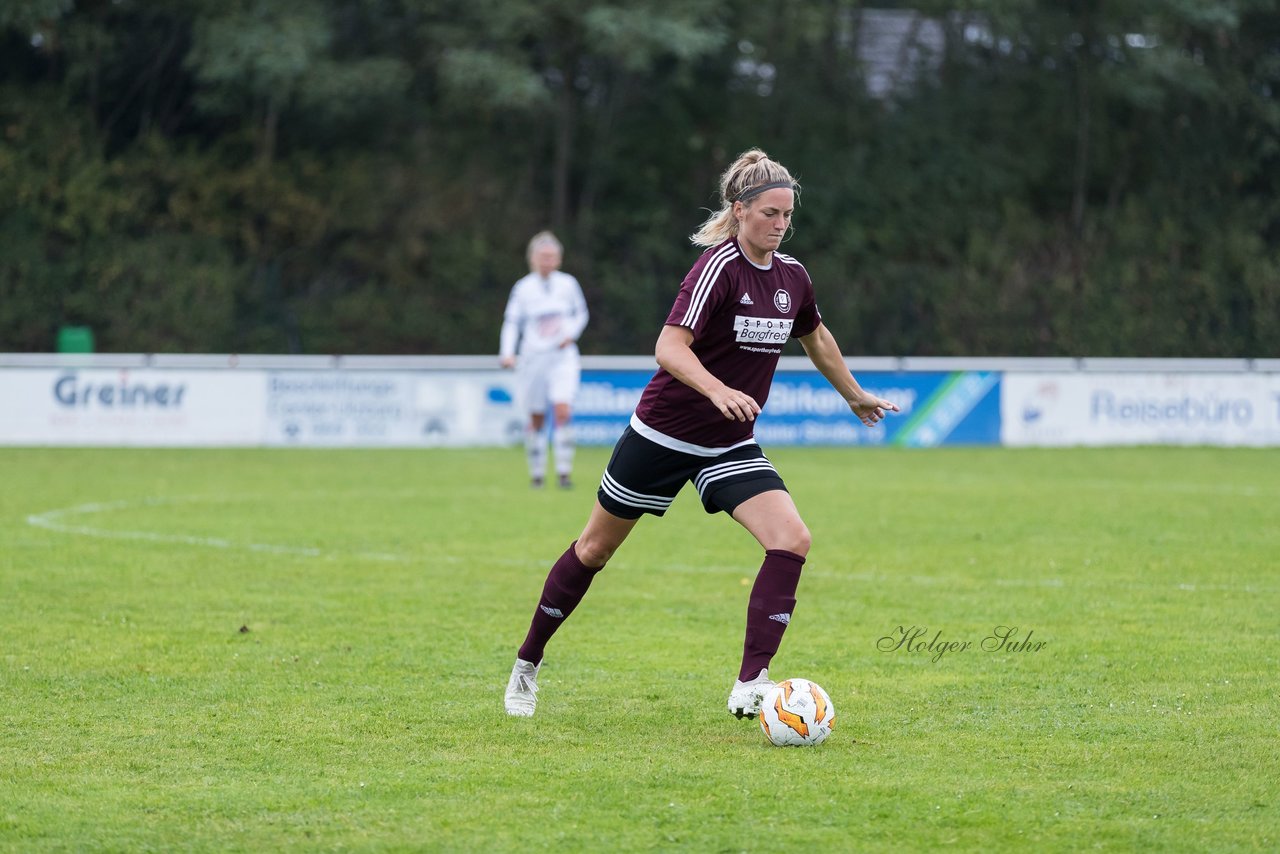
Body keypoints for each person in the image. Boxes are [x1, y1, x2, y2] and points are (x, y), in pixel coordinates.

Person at [503, 149, 899, 719]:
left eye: (787, 215)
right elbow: (668, 347)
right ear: (739, 212)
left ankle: (751, 683)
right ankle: (527, 665)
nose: (780, 226)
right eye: (769, 213)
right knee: (593, 549)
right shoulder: (718, 266)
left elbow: (815, 336)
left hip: (728, 444)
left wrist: (853, 393)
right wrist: (715, 390)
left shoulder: (793, 277)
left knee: (792, 539)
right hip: (662, 435)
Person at [499, 231, 590, 489]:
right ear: (533, 258)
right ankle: (537, 475)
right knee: (536, 417)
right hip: (533, 358)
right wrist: (507, 352)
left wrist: (570, 334)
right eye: (542, 256)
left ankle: (564, 473)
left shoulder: (568, 284)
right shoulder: (523, 288)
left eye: (551, 257)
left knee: (562, 410)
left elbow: (581, 314)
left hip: (562, 358)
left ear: (558, 259)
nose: (547, 261)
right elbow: (512, 322)